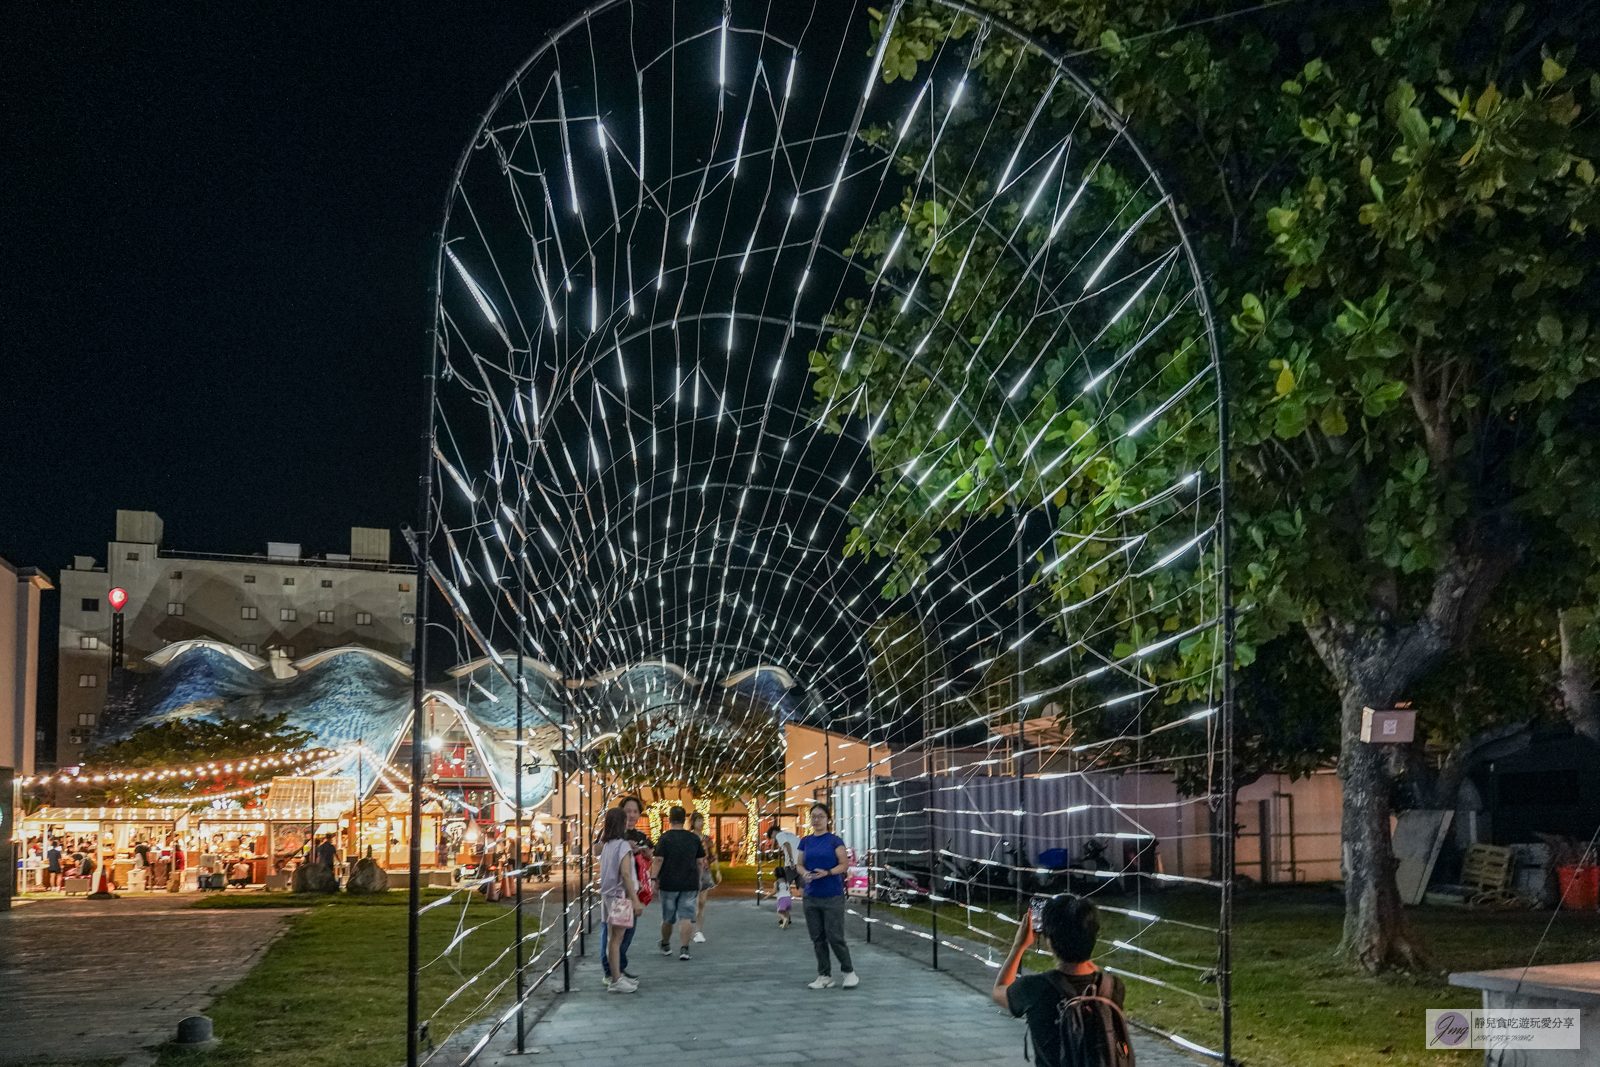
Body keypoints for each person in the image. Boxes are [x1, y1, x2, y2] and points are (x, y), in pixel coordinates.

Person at [991, 895, 1132, 1067]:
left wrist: (1019, 945)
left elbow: (999, 990)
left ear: (1049, 939)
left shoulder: (1034, 988)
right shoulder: (1113, 987)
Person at [796, 802, 857, 989]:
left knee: (835, 936)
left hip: (832, 895)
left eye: (820, 816)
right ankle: (824, 975)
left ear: (828, 819)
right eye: (813, 816)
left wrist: (828, 872)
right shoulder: (805, 841)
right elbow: (798, 864)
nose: (816, 820)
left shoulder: (834, 841)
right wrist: (804, 873)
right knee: (818, 938)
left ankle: (848, 972)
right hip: (811, 895)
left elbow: (844, 865)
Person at [600, 796, 652, 985]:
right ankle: (615, 978)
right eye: (626, 814)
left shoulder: (608, 845)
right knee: (616, 938)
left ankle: (616, 975)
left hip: (608, 896)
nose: (631, 817)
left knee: (614, 937)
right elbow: (626, 875)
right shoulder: (621, 845)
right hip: (621, 897)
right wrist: (635, 900)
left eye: (635, 811)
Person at [650, 806, 705, 961]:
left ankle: (666, 944)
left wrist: (653, 878)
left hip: (668, 883)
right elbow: (700, 862)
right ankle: (685, 949)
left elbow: (658, 859)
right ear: (685, 819)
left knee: (668, 917)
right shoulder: (694, 838)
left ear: (669, 819)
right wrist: (699, 879)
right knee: (686, 916)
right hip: (689, 882)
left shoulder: (665, 838)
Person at [688, 812, 721, 943]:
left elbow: (713, 856)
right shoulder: (689, 838)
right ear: (693, 822)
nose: (701, 823)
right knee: (691, 902)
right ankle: (688, 928)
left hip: (705, 872)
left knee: (702, 903)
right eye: (698, 820)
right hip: (691, 872)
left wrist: (717, 870)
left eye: (702, 820)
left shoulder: (707, 839)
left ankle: (698, 931)